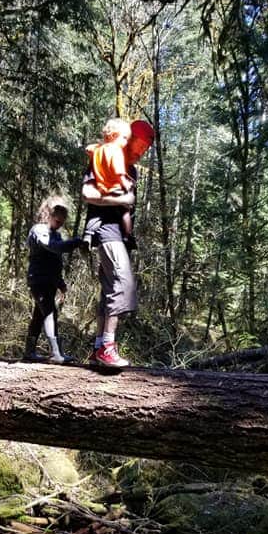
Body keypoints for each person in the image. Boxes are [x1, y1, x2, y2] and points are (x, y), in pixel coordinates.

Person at [81, 118, 155, 368]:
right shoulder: (105, 156)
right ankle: (107, 348)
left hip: (119, 236)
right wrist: (122, 200)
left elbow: (129, 200)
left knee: (110, 289)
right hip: (104, 230)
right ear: (128, 139)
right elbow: (88, 194)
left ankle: (98, 347)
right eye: (139, 145)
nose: (140, 151)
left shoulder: (131, 170)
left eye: (145, 149)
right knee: (124, 284)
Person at [24, 196, 82, 363]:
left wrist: (61, 283)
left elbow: (55, 261)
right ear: (47, 213)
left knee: (39, 315)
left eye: (62, 220)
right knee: (50, 312)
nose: (60, 222)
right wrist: (75, 243)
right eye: (57, 218)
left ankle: (29, 352)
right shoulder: (39, 230)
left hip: (49, 281)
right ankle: (56, 353)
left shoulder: (55, 234)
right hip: (39, 280)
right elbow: (52, 247)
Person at [84, 118, 135, 243]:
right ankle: (128, 236)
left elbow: (88, 149)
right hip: (115, 187)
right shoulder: (116, 150)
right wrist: (125, 183)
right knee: (125, 212)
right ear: (114, 135)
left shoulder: (98, 149)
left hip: (102, 187)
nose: (126, 142)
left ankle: (88, 234)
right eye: (125, 138)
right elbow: (118, 170)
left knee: (97, 215)